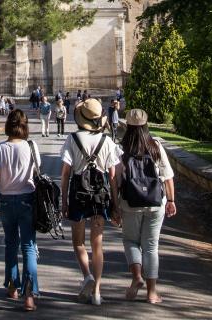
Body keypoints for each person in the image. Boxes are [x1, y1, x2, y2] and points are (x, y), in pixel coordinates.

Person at [60, 98, 120, 306]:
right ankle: (96, 291)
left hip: (78, 193)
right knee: (98, 246)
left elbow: (66, 174)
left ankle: (87, 276)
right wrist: (116, 205)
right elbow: (112, 177)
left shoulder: (72, 139)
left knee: (78, 242)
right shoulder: (107, 141)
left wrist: (63, 201)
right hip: (100, 196)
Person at [0, 109, 41, 311]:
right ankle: (30, 295)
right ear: (25, 127)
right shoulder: (32, 147)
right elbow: (36, 174)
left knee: (10, 244)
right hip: (27, 199)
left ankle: (13, 286)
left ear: (8, 125)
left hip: (6, 200)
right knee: (28, 246)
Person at [118, 109, 176, 305]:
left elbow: (116, 180)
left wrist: (114, 205)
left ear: (127, 126)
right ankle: (152, 293)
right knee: (151, 247)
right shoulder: (155, 146)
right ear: (145, 125)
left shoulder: (121, 149)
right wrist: (171, 200)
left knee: (130, 241)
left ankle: (136, 277)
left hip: (129, 202)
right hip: (154, 202)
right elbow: (167, 177)